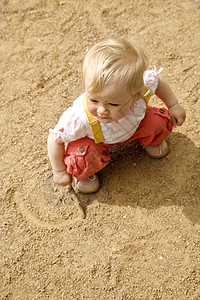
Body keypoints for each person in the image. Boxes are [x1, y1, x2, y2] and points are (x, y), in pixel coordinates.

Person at [48, 38, 186, 194]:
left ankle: (151, 140)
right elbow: (55, 139)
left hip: (135, 127)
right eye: (93, 99)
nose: (101, 110)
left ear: (135, 95)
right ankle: (85, 173)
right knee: (80, 157)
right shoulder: (79, 117)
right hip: (98, 140)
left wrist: (173, 105)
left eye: (113, 104)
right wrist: (59, 171)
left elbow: (157, 80)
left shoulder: (140, 88)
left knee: (158, 121)